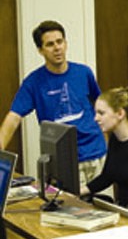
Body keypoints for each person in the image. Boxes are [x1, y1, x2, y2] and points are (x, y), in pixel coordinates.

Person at [0, 20, 108, 191]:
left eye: (60, 41)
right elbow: (13, 117)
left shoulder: (84, 73)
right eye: (50, 44)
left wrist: (109, 143)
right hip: (65, 162)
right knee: (72, 214)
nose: (57, 48)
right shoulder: (33, 82)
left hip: (98, 155)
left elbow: (102, 108)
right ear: (40, 50)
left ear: (66, 44)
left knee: (107, 211)